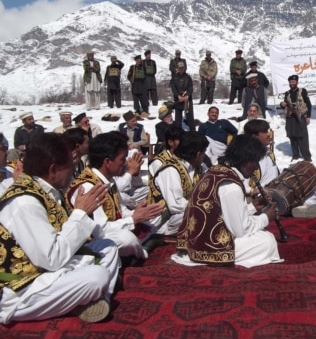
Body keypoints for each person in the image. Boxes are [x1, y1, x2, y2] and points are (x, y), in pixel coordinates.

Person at [0, 133, 120, 324]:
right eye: (70, 169)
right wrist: (80, 213)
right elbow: (52, 259)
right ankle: (86, 299)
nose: (73, 174)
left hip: (45, 269)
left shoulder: (44, 189)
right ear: (53, 169)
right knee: (96, 276)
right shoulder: (25, 202)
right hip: (20, 288)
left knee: (108, 247)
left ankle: (96, 301)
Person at [174, 134, 283, 268]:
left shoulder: (214, 171)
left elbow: (222, 213)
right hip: (209, 246)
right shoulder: (231, 186)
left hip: (196, 240)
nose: (256, 168)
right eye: (255, 162)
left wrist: (253, 208)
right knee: (267, 240)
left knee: (263, 236)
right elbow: (241, 230)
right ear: (246, 161)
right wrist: (266, 217)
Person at [65, 132, 163, 260]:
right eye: (122, 159)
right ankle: (140, 251)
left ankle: (134, 249)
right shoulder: (89, 187)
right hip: (92, 241)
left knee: (155, 216)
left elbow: (122, 211)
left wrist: (138, 213)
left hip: (115, 228)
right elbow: (101, 231)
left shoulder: (108, 179)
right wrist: (133, 219)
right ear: (107, 162)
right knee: (126, 239)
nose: (126, 163)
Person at [148, 130, 208, 235]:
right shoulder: (170, 170)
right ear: (198, 154)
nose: (204, 156)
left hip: (185, 212)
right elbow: (175, 205)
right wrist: (204, 207)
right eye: (204, 152)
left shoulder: (199, 167)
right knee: (196, 215)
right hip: (164, 221)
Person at [279, 74, 312, 162]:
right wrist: (282, 104)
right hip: (290, 118)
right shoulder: (287, 93)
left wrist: (308, 116)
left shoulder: (303, 91)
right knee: (292, 136)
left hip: (300, 116)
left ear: (297, 82)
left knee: (302, 137)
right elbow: (284, 104)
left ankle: (307, 156)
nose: (291, 83)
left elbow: (308, 104)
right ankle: (295, 155)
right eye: (290, 82)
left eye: (293, 82)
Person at [244, 119, 279, 188]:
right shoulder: (246, 157)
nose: (269, 134)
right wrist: (252, 191)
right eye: (265, 132)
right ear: (254, 137)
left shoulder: (268, 152)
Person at [170, 61, 195, 131]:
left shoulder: (188, 77)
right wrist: (178, 96)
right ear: (177, 68)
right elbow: (173, 88)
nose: (181, 69)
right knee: (178, 119)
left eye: (182, 68)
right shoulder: (174, 78)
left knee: (190, 118)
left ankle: (193, 133)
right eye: (179, 68)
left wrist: (187, 95)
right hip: (178, 99)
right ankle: (178, 134)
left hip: (187, 100)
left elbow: (191, 88)